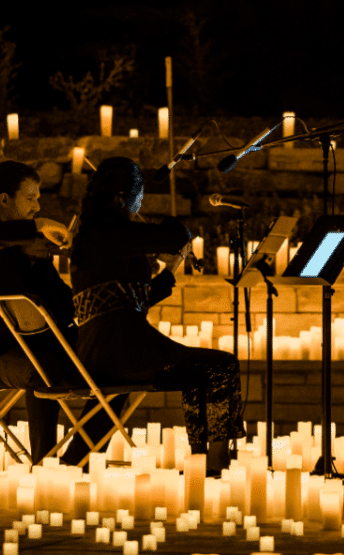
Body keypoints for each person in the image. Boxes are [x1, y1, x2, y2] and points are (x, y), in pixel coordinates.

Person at [60, 156, 244, 472]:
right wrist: (173, 230)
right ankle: (214, 464)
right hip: (120, 353)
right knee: (222, 368)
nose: (142, 201)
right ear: (121, 197)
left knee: (202, 372)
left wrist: (169, 270)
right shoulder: (109, 232)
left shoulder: (97, 235)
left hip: (108, 350)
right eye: (140, 194)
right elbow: (175, 233)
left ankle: (202, 460)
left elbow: (133, 302)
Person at [0, 160, 74, 465]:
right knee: (43, 367)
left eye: (39, 199)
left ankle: (83, 454)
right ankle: (45, 463)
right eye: (31, 198)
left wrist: (42, 266)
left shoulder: (32, 248)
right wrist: (37, 227)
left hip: (44, 343)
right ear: (5, 199)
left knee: (107, 354)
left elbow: (62, 303)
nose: (37, 207)